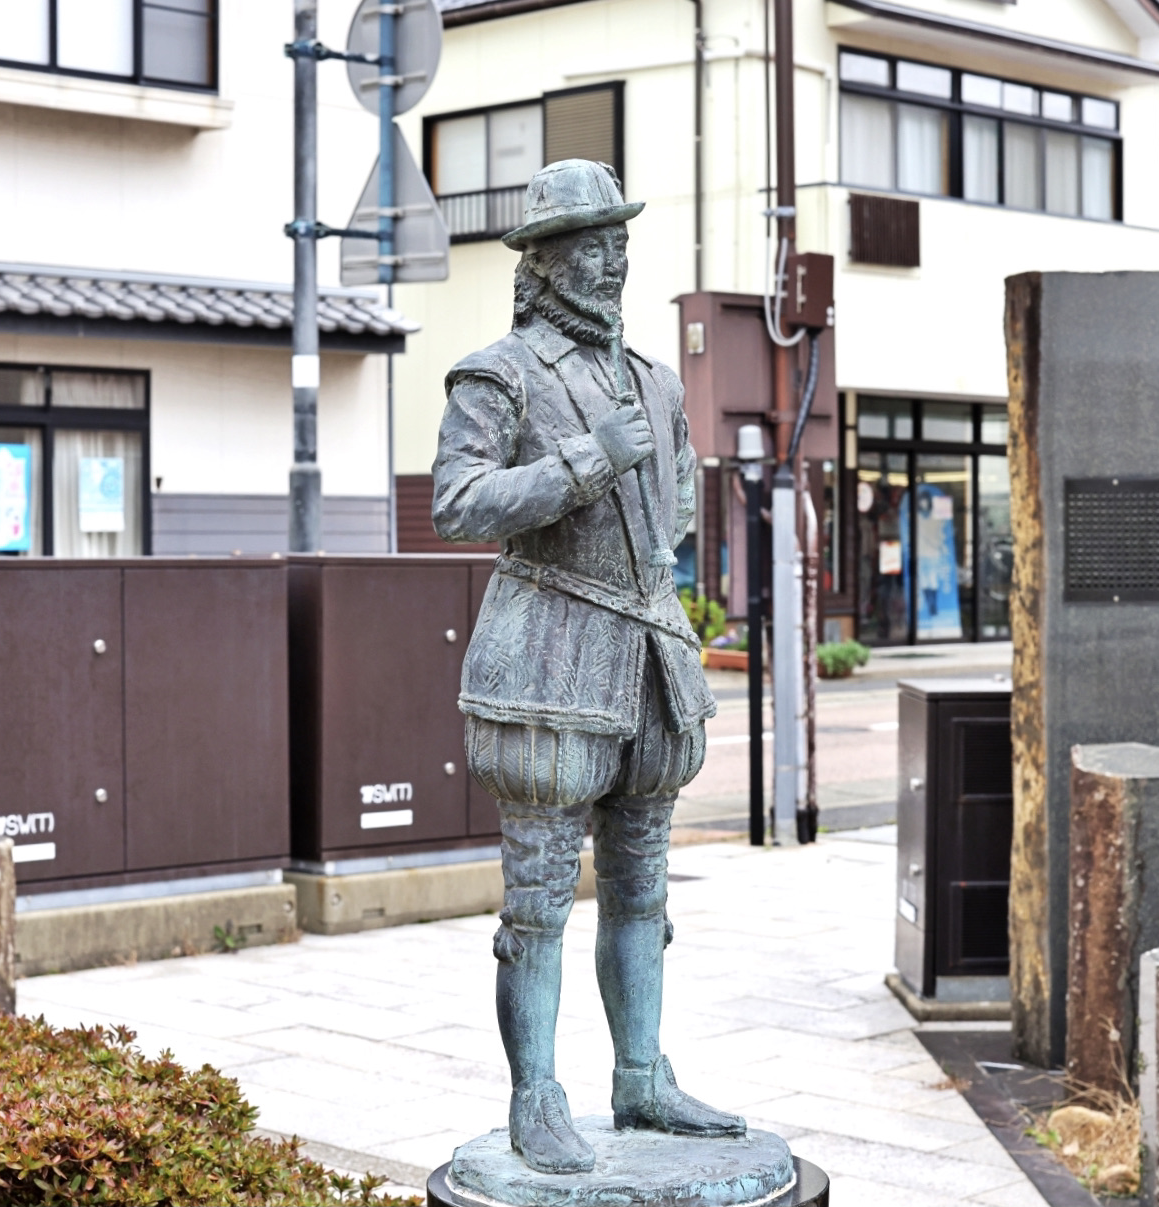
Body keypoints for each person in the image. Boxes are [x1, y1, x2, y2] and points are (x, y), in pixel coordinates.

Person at [432, 159, 744, 1174]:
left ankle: (642, 1075)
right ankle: (536, 1095)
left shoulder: (656, 378)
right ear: (545, 259)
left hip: (647, 650)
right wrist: (585, 461)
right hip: (549, 655)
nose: (611, 259)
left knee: (643, 887)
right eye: (591, 242)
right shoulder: (502, 372)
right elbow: (459, 502)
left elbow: (684, 510)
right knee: (535, 894)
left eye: (618, 240)